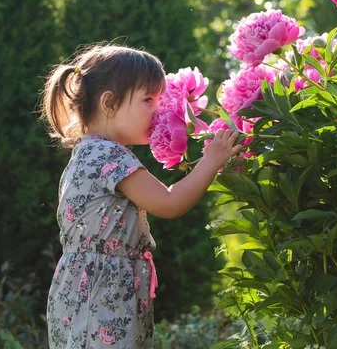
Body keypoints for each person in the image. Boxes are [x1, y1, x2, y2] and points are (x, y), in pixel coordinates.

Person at [39, 44, 241, 348]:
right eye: (148, 99)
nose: (158, 109)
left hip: (85, 290)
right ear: (109, 103)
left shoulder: (87, 151)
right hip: (102, 298)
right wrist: (211, 161)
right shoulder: (110, 156)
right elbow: (170, 202)